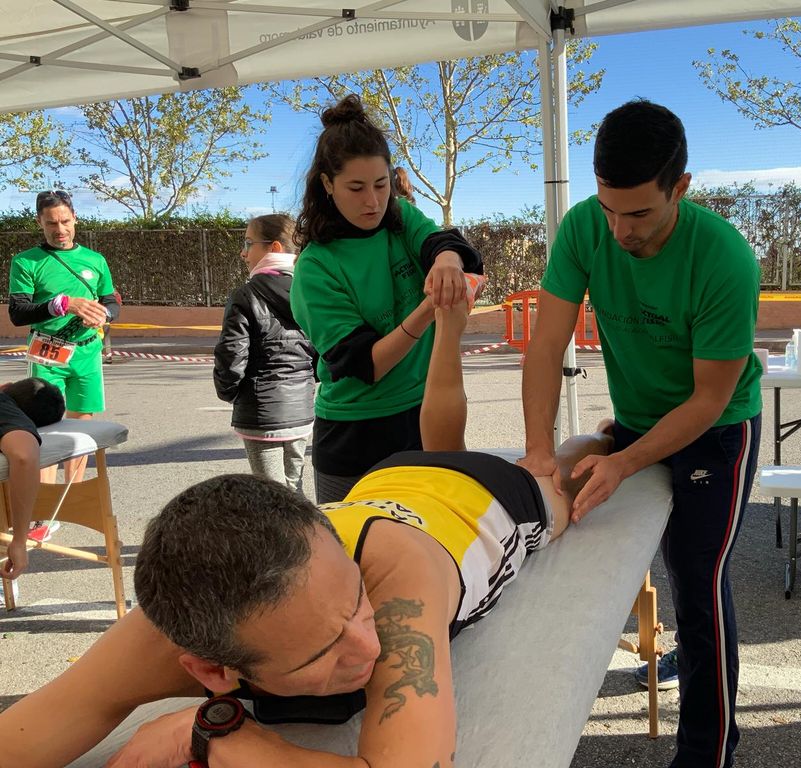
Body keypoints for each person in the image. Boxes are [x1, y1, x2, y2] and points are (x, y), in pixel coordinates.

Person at [0, 295, 614, 768]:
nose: (373, 648)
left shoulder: (396, 577)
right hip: (387, 485)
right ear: (210, 672)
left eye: (358, 603)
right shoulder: (166, 629)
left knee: (562, 481)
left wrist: (217, 734)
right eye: (327, 652)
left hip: (474, 496)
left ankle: (604, 435)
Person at [519, 99, 762, 768]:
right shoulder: (582, 229)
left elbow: (710, 399)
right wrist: (541, 451)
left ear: (680, 188)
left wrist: (625, 462)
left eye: (640, 214)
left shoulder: (725, 260)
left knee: (698, 582)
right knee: (598, 555)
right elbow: (545, 346)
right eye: (609, 209)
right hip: (633, 423)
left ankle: (709, 753)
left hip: (716, 433)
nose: (620, 231)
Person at [290, 94, 484, 504]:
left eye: (380, 185)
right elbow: (368, 364)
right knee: (354, 557)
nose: (373, 202)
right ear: (327, 185)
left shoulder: (400, 220)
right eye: (355, 188)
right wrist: (429, 307)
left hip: (422, 414)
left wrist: (447, 260)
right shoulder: (316, 267)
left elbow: (445, 242)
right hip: (354, 434)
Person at [8, 190, 120, 532]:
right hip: (47, 352)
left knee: (81, 425)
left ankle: (68, 498)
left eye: (65, 222)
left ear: (75, 219)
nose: (60, 230)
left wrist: (104, 315)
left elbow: (111, 301)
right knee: (43, 428)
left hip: (86, 351)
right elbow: (17, 312)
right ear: (40, 223)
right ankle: (43, 504)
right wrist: (61, 304)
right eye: (51, 223)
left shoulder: (95, 259)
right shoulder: (26, 261)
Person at [214, 214, 315, 493]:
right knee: (294, 488)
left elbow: (232, 355)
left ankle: (285, 538)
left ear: (274, 248)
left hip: (261, 411)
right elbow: (322, 347)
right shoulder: (310, 292)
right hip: (302, 408)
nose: (243, 252)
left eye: (248, 243)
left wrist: (229, 391)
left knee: (272, 494)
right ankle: (308, 536)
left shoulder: (246, 295)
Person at [0, 378, 65, 579]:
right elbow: (24, 455)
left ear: (6, 386)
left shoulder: (5, 406)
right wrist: (19, 540)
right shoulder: (7, 409)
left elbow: (23, 455)